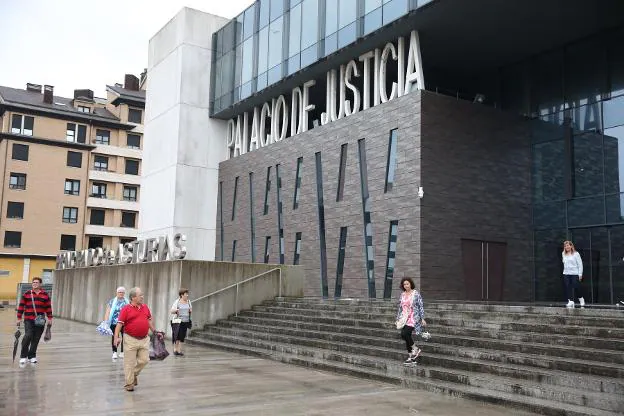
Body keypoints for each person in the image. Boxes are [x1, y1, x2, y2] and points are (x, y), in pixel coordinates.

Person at [114, 287, 163, 391]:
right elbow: (119, 324)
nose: (142, 297)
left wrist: (155, 332)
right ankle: (129, 384)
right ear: (133, 297)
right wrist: (116, 337)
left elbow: (149, 321)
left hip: (144, 339)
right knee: (129, 363)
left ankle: (134, 374)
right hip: (130, 339)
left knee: (144, 360)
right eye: (140, 295)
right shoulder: (126, 309)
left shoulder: (145, 307)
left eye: (142, 295)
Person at [16, 277, 53, 367]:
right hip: (28, 319)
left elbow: (48, 307)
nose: (35, 283)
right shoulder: (27, 294)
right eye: (33, 282)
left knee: (36, 339)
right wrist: (19, 317)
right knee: (28, 336)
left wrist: (50, 318)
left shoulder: (45, 295)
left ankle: (32, 356)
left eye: (37, 282)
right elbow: (21, 306)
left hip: (40, 320)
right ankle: (23, 356)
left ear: (40, 284)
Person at [396, 277, 426, 365]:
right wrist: (398, 318)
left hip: (413, 317)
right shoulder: (402, 294)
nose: (406, 286)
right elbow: (400, 308)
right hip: (404, 318)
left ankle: (416, 349)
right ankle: (410, 358)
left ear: (411, 284)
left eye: (407, 284)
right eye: (404, 284)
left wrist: (423, 318)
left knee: (404, 334)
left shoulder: (416, 294)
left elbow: (421, 306)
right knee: (406, 336)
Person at [104, 287, 129, 360]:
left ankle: (122, 352)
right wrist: (105, 321)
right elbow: (107, 312)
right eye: (119, 292)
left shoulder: (127, 302)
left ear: (124, 293)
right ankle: (114, 352)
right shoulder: (112, 301)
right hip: (114, 323)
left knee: (125, 338)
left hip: (124, 323)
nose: (121, 293)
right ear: (117, 293)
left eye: (122, 292)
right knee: (115, 337)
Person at [562, 240, 585, 308]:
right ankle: (570, 301)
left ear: (571, 246)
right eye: (565, 246)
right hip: (566, 273)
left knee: (576, 287)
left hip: (575, 273)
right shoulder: (563, 253)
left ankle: (581, 298)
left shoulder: (576, 254)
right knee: (567, 287)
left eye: (568, 245)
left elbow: (580, 264)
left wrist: (580, 274)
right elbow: (564, 262)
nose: (567, 247)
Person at [170, 288, 192, 356]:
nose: (187, 295)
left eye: (187, 294)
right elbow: (171, 311)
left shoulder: (188, 301)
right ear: (182, 295)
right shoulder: (177, 301)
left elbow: (190, 309)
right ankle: (175, 349)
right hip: (178, 321)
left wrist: (190, 310)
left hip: (185, 321)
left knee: (182, 336)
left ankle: (179, 350)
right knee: (177, 335)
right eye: (186, 294)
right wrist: (176, 310)